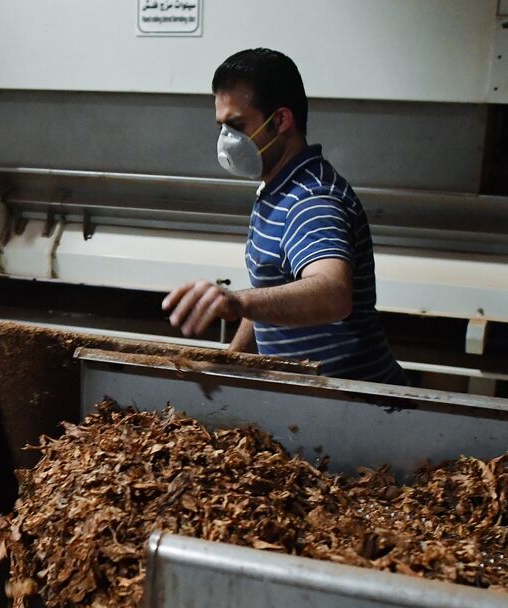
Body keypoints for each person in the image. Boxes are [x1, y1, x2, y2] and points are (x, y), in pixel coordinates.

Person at [162, 48, 407, 385]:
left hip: (355, 406)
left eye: (236, 125)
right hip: (318, 402)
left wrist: (238, 302)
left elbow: (333, 293)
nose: (226, 140)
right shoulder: (278, 189)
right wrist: (232, 363)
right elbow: (272, 293)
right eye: (222, 127)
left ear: (280, 121)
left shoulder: (311, 198)